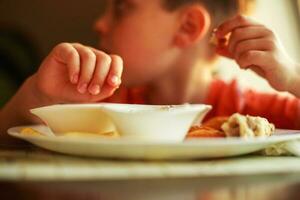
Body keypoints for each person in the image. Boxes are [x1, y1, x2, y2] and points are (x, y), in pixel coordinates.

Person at [1, 0, 300, 141]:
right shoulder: (101, 108)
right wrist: (36, 94)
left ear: (187, 27)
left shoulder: (253, 114)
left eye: (121, 8)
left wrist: (292, 78)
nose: (99, 24)